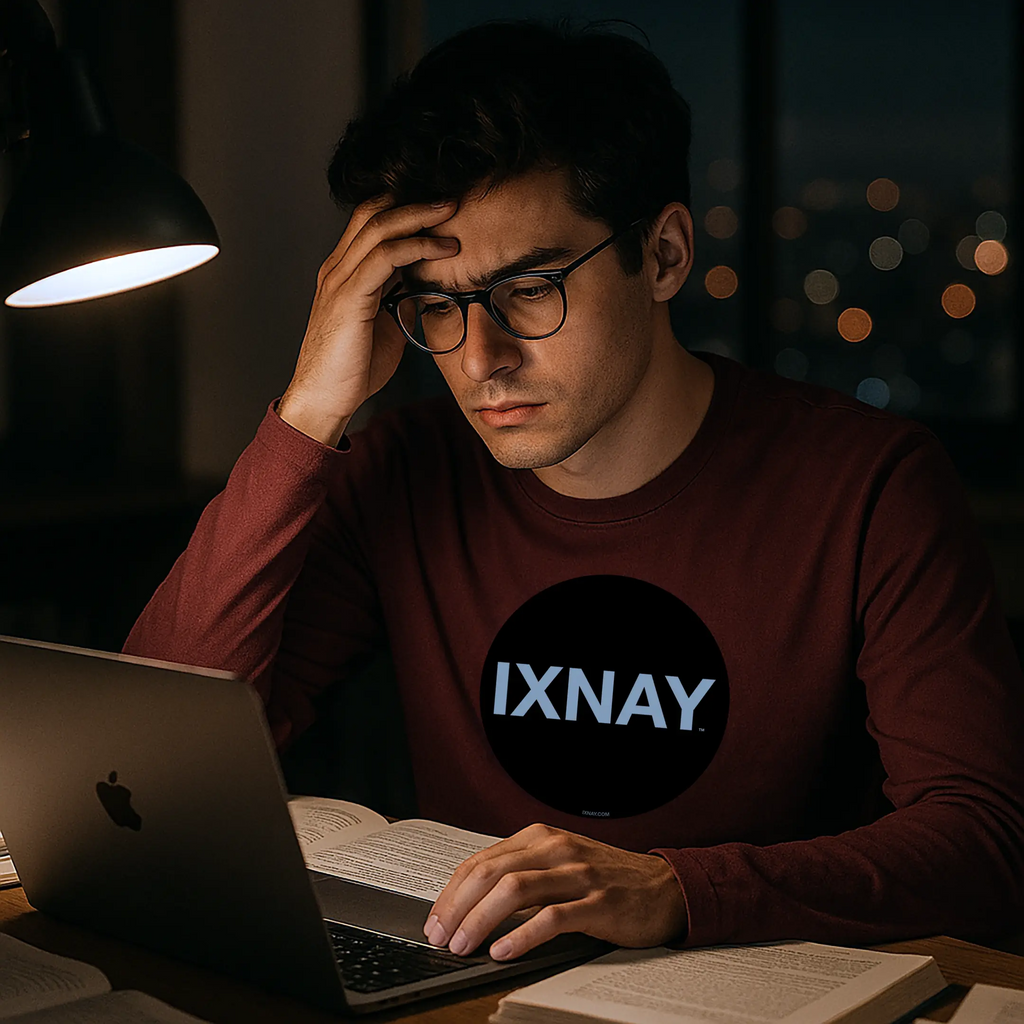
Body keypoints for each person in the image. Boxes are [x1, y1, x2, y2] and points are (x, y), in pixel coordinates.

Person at [124, 20, 1024, 964]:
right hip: (472, 993)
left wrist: (676, 888)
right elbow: (153, 763)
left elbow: (989, 841)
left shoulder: (870, 483)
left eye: (530, 288)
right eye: (436, 304)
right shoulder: (402, 472)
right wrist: (309, 412)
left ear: (666, 255)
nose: (480, 361)